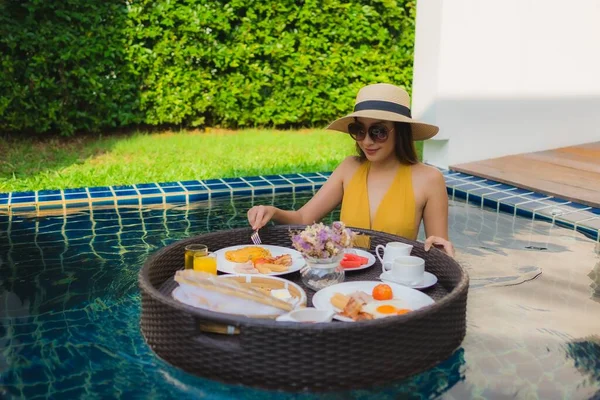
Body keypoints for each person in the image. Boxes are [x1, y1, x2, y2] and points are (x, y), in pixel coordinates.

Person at [247, 83, 455, 257]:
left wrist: (442, 251)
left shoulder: (428, 179)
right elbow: (303, 218)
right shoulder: (349, 168)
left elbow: (437, 248)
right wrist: (272, 211)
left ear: (400, 132)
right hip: (346, 276)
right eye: (359, 130)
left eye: (378, 131)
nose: (367, 141)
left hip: (394, 285)